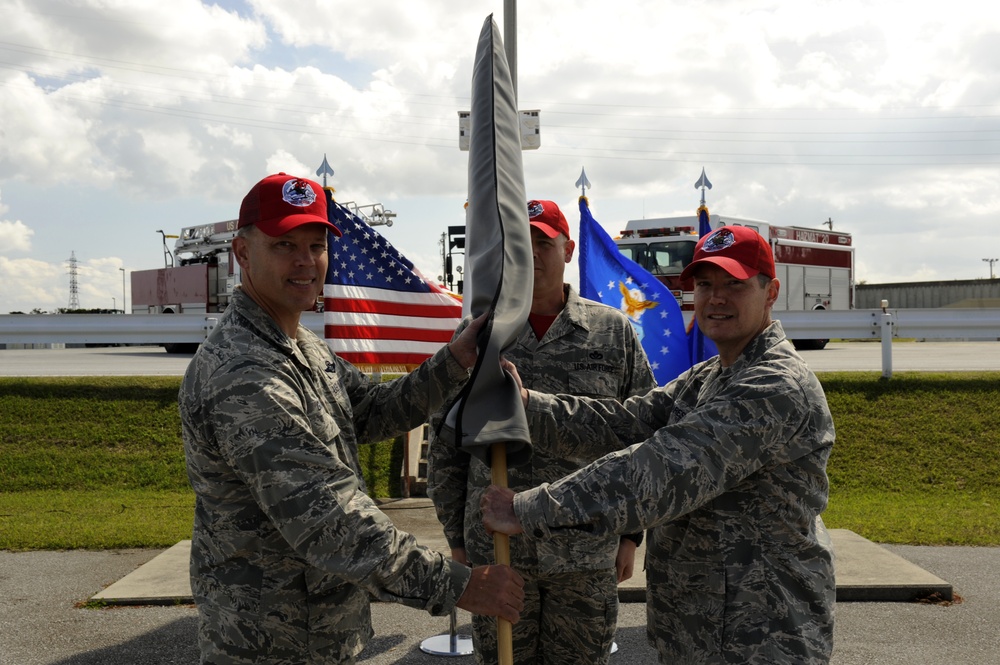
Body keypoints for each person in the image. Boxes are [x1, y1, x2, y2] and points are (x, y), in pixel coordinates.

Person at [179, 172, 524, 665]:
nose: (305, 261)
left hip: (319, 628)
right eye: (284, 245)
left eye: (316, 246)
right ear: (241, 252)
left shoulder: (300, 345)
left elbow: (371, 411)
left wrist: (455, 362)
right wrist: (460, 585)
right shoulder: (245, 374)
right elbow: (327, 516)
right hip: (270, 641)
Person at [481, 224, 837, 664]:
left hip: (761, 633)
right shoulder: (711, 376)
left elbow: (657, 472)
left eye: (734, 284)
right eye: (705, 285)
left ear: (771, 291)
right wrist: (528, 405)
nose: (716, 298)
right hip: (702, 628)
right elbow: (627, 422)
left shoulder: (775, 385)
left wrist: (525, 508)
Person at [427, 199, 656, 665]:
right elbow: (446, 446)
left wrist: (632, 534)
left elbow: (643, 436)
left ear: (568, 249)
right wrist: (455, 537)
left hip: (587, 548)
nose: (530, 255)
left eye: (542, 243)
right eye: (519, 244)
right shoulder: (481, 335)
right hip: (499, 552)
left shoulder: (612, 332)